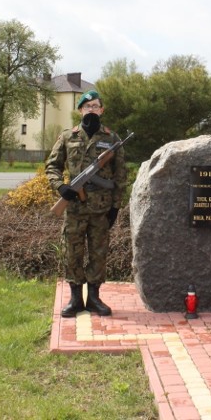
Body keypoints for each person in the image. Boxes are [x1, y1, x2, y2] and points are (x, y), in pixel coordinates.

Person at [45, 90, 127, 318]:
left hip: (101, 210)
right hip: (74, 210)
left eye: (95, 106)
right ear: (80, 110)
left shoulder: (112, 139)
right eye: (87, 106)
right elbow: (52, 166)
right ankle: (74, 298)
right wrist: (60, 187)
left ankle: (93, 298)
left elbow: (121, 176)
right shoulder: (67, 137)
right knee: (72, 252)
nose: (91, 109)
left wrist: (115, 207)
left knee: (99, 253)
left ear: (102, 110)